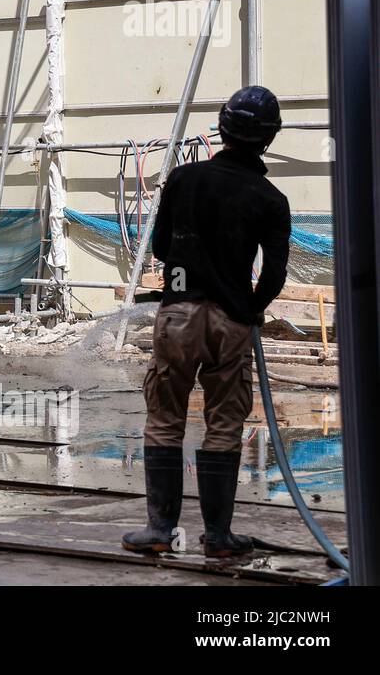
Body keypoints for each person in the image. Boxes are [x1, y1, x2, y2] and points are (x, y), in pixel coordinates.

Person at [122, 86, 291, 558]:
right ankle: (218, 538)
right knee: (223, 423)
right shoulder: (270, 198)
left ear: (222, 126)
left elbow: (160, 249)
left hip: (177, 312)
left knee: (164, 418)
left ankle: (159, 530)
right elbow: (275, 274)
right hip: (230, 322)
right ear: (268, 138)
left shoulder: (182, 178)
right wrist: (250, 306)